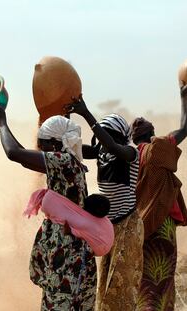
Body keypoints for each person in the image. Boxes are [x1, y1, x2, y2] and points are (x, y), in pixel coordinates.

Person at [0, 102, 97, 310]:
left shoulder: (64, 162)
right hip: (70, 252)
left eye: (43, 144)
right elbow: (24, 158)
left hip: (67, 256)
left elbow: (15, 153)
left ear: (56, 145)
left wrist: (2, 122)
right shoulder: (69, 161)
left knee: (61, 302)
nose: (40, 149)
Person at [67, 97, 144, 311]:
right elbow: (75, 149)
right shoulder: (101, 151)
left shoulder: (130, 153)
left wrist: (86, 114)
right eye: (101, 135)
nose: (102, 140)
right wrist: (63, 121)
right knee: (106, 282)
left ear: (119, 136)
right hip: (108, 226)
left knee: (122, 285)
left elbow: (111, 145)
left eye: (108, 135)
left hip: (128, 225)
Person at [130, 83, 187, 310]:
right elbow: (184, 129)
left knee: (146, 282)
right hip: (162, 225)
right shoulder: (158, 149)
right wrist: (184, 99)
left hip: (139, 227)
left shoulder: (129, 156)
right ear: (153, 135)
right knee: (163, 281)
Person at [25, 190, 114, 257]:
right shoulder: (103, 221)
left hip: (98, 248)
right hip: (103, 246)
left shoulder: (82, 221)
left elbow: (69, 230)